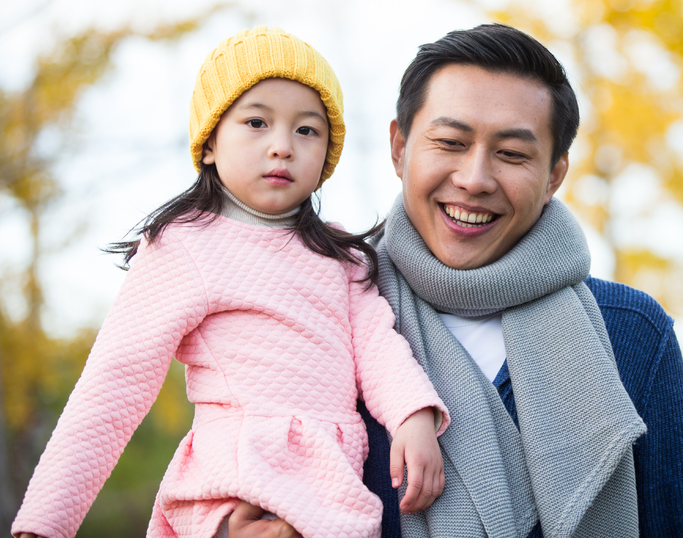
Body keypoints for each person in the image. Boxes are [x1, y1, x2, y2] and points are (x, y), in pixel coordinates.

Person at [11, 26, 450, 538]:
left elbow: (377, 345)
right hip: (233, 478)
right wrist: (45, 523)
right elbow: (114, 382)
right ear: (212, 141)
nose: (282, 147)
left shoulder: (340, 255)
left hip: (331, 481)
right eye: (257, 122)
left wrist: (412, 415)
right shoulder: (185, 245)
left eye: (307, 130)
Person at [354, 23, 683, 537]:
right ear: (399, 147)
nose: (475, 179)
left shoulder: (632, 335)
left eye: (511, 154)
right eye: (450, 142)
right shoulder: (332, 316)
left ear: (555, 175)